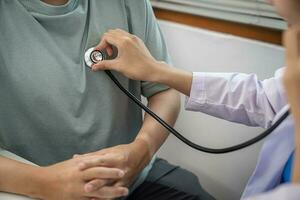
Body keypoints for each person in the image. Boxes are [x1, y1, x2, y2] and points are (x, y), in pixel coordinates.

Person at [0, 0, 215, 200]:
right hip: (30, 188)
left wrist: (142, 150)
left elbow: (164, 91)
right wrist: (46, 183)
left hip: (132, 177)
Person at [90, 0, 300, 199]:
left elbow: (164, 94)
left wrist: (142, 150)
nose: (268, 2)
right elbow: (261, 98)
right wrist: (158, 71)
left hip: (137, 173)